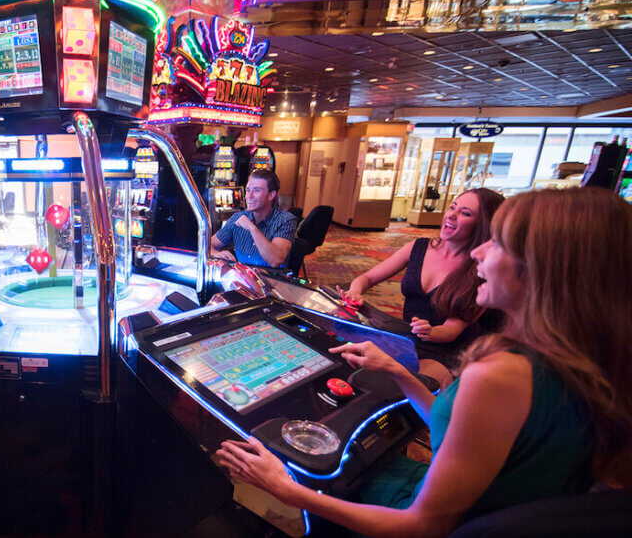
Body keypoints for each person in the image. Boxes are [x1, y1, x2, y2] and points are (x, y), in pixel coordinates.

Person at [216, 188, 632, 537]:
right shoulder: (585, 359)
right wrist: (399, 372)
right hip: (480, 507)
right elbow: (464, 435)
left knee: (276, 477)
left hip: (422, 519)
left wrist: (288, 490)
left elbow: (423, 526)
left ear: (547, 270)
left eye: (499, 242)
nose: (479, 252)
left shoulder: (502, 374)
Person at [340, 188, 505, 383]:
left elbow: (451, 331)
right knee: (346, 363)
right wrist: (355, 290)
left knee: (405, 388)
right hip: (408, 338)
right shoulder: (418, 247)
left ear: (483, 226)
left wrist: (430, 332)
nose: (451, 214)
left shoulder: (481, 268)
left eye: (465, 213)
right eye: (453, 207)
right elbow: (367, 277)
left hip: (448, 349)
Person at [209, 169, 297, 268]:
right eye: (248, 190)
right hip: (245, 277)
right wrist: (217, 254)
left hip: (273, 279)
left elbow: (275, 260)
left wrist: (252, 228)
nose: (249, 196)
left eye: (256, 190)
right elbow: (208, 244)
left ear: (271, 195)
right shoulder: (237, 218)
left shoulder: (286, 220)